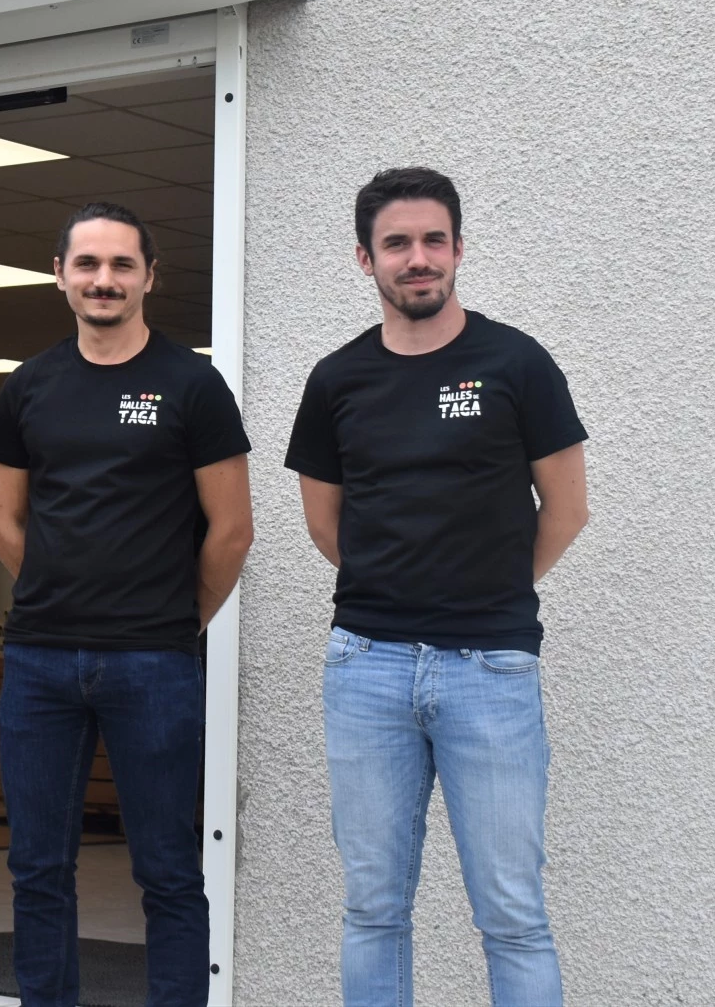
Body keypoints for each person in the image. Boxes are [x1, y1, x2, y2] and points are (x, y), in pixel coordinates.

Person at [287, 166, 589, 1007]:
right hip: (366, 668)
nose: (416, 259)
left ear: (458, 249)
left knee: (513, 914)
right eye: (397, 244)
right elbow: (325, 526)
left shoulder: (516, 362)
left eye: (432, 241)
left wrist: (486, 589)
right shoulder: (337, 380)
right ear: (365, 258)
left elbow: (565, 509)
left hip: (490, 670)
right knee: (373, 910)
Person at [0, 200, 254, 1007]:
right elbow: (4, 520)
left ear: (149, 277)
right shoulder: (29, 386)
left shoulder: (192, 385)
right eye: (89, 264)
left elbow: (232, 530)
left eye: (122, 265)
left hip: (155, 664)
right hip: (39, 662)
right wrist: (63, 591)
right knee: (37, 869)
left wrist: (176, 620)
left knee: (169, 871)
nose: (104, 280)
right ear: (60, 274)